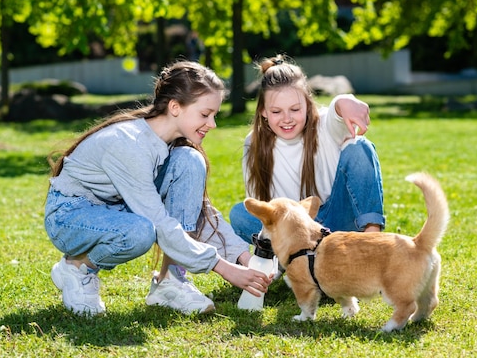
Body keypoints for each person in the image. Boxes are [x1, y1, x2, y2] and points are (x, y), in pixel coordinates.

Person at [45, 60, 271, 316]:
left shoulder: (170, 147)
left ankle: (171, 280)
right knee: (140, 232)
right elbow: (159, 223)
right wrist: (223, 267)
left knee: (190, 160)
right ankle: (78, 268)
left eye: (214, 115)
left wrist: (243, 258)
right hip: (70, 217)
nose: (212, 123)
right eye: (205, 114)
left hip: (115, 208)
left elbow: (200, 212)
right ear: (175, 107)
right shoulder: (130, 145)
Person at [230, 55, 385, 245]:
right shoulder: (253, 143)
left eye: (295, 109)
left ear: (307, 104)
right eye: (276, 111)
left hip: (338, 222)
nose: (287, 119)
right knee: (239, 214)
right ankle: (302, 256)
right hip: (293, 229)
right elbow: (261, 209)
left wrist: (345, 101)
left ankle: (373, 242)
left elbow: (337, 110)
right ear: (263, 111)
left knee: (360, 146)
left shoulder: (324, 126)